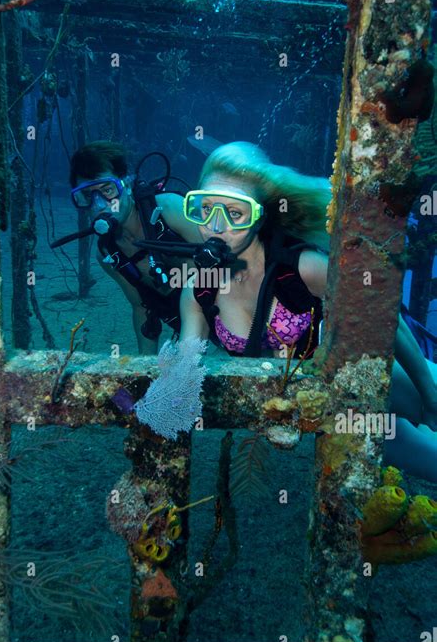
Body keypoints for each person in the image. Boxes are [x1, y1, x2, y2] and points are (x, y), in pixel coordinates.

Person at [177, 142, 437, 481]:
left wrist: (429, 393)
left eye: (234, 212)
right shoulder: (198, 290)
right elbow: (186, 362)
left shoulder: (303, 267)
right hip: (334, 409)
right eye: (205, 208)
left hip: (370, 372)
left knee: (424, 407)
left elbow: (388, 321)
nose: (215, 225)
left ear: (260, 215)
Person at [69, 141, 201, 354]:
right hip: (189, 325)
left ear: (127, 185)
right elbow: (141, 306)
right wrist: (144, 366)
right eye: (87, 196)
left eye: (107, 190)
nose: (100, 204)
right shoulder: (107, 255)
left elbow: (227, 264)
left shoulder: (170, 209)